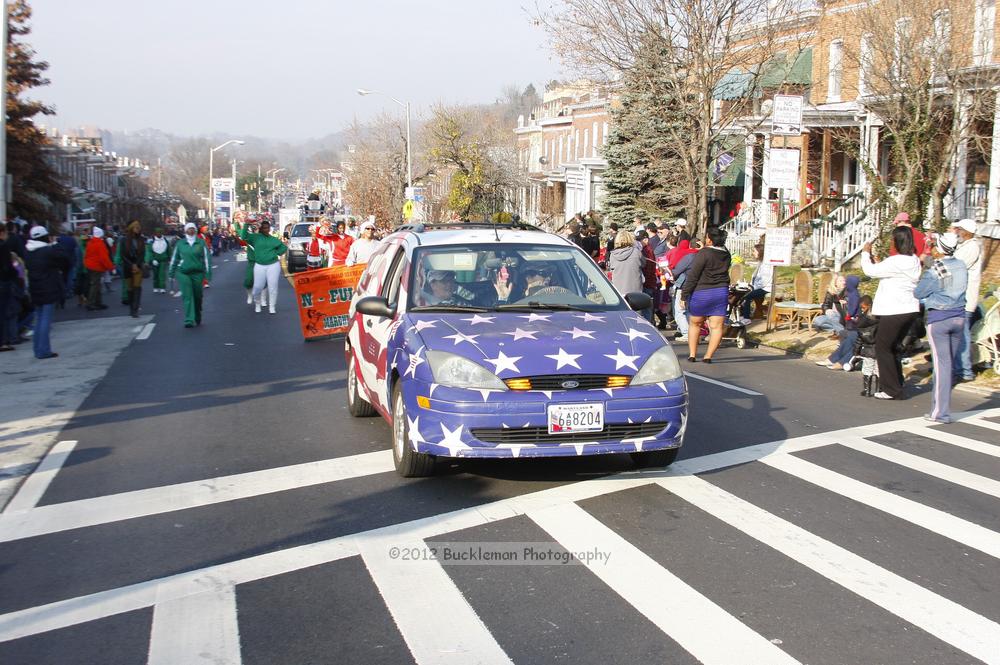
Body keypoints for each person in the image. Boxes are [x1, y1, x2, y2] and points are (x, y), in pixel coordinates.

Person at [861, 226, 921, 400]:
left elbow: (870, 271)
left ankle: (891, 389)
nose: (890, 242)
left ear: (898, 241)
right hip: (909, 309)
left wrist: (865, 253)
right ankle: (897, 383)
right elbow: (887, 272)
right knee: (894, 346)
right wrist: (878, 262)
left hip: (895, 310)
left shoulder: (896, 261)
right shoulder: (913, 260)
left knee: (883, 346)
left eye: (892, 239)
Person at [914, 232, 967, 424]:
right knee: (948, 364)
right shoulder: (962, 265)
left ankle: (940, 412)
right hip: (959, 317)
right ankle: (941, 409)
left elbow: (919, 292)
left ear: (940, 248)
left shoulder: (935, 270)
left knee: (941, 366)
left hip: (939, 319)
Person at [680, 227, 731, 363]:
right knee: (716, 326)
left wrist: (684, 295)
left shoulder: (704, 253)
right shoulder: (726, 254)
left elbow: (693, 275)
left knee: (695, 323)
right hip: (721, 291)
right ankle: (708, 356)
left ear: (709, 239)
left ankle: (692, 354)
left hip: (702, 291)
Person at [24, 225, 69, 359]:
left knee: (38, 320)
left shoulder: (28, 251)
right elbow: (65, 259)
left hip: (35, 288)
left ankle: (38, 349)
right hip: (48, 288)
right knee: (45, 321)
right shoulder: (47, 251)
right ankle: (44, 350)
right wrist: (55, 243)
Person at [951, 218, 982, 383]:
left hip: (966, 298)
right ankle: (958, 368)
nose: (957, 232)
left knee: (962, 336)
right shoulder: (965, 246)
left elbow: (956, 266)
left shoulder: (972, 247)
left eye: (959, 230)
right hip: (960, 298)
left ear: (967, 232)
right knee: (958, 335)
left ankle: (964, 371)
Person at [168, 222, 212, 328]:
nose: (191, 231)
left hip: (197, 273)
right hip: (183, 273)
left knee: (198, 297)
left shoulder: (201, 243)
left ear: (195, 230)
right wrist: (171, 273)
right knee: (187, 296)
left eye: (193, 229)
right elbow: (174, 259)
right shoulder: (180, 244)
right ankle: (189, 319)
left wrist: (208, 274)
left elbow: (207, 259)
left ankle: (197, 316)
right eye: (189, 229)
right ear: (185, 231)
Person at [238, 219, 286, 314]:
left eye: (267, 228)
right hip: (259, 265)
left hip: (273, 265)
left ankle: (272, 307)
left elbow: (283, 247)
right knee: (257, 287)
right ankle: (257, 303)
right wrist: (247, 224)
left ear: (269, 228)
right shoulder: (255, 238)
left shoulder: (273, 239)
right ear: (261, 229)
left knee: (273, 287)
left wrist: (276, 254)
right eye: (264, 228)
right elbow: (243, 236)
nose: (266, 230)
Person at [816, 275, 861, 370]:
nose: (844, 283)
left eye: (844, 281)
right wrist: (828, 310)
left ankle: (839, 361)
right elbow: (826, 304)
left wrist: (845, 305)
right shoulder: (834, 292)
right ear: (835, 282)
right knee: (819, 320)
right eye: (840, 281)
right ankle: (833, 359)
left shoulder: (851, 294)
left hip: (850, 322)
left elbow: (852, 311)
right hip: (841, 321)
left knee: (852, 339)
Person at [669, 240, 700, 342]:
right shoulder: (703, 257)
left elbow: (677, 270)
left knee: (679, 310)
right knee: (690, 310)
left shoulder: (689, 257)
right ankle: (693, 332)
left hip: (684, 285)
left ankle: (686, 333)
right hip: (698, 286)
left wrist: (669, 272)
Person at [739, 241, 772, 324]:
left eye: (754, 251)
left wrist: (752, 288)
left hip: (765, 288)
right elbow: (755, 277)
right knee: (741, 293)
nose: (753, 253)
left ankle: (746, 317)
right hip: (758, 286)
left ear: (760, 252)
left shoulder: (766, 264)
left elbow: (764, 281)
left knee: (747, 296)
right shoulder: (761, 262)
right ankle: (742, 315)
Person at [119, 221, 147, 318]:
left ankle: (135, 309)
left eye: (139, 227)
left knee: (137, 287)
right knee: (130, 288)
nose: (138, 228)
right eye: (136, 227)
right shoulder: (123, 240)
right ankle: (131, 308)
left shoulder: (141, 240)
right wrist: (131, 265)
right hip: (127, 266)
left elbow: (142, 254)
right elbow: (123, 255)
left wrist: (137, 264)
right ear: (131, 228)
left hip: (138, 266)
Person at [1, 224, 21, 351]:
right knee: (4, 312)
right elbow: (7, 266)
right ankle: (3, 341)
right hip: (4, 281)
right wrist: (15, 275)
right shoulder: (3, 246)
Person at [83, 227, 114, 311]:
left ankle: (97, 302)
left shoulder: (91, 243)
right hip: (97, 266)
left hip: (90, 266)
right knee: (95, 285)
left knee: (96, 284)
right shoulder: (100, 244)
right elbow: (104, 258)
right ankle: (92, 303)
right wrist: (111, 267)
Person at [854, 296, 880, 396]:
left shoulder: (862, 322)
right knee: (878, 370)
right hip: (879, 349)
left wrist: (856, 352)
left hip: (868, 349)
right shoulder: (880, 319)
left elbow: (859, 339)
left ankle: (867, 390)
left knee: (867, 369)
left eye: (863, 308)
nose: (862, 310)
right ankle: (878, 390)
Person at [608, 229, 643, 297]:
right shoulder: (636, 252)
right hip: (635, 289)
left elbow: (611, 269)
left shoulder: (613, 255)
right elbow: (643, 264)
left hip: (619, 289)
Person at [636, 231, 658, 323]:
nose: (638, 242)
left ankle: (648, 324)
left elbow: (648, 268)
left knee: (646, 308)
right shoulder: (642, 250)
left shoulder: (647, 251)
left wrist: (643, 279)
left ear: (646, 240)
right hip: (646, 282)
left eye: (639, 240)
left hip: (647, 283)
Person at [146, 228, 171, 294]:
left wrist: (169, 259)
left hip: (163, 260)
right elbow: (149, 251)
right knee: (155, 274)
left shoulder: (165, 241)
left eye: (160, 232)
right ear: (155, 233)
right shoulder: (152, 241)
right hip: (155, 260)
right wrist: (152, 259)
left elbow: (169, 250)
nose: (158, 234)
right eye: (157, 232)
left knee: (162, 274)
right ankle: (156, 287)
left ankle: (162, 287)